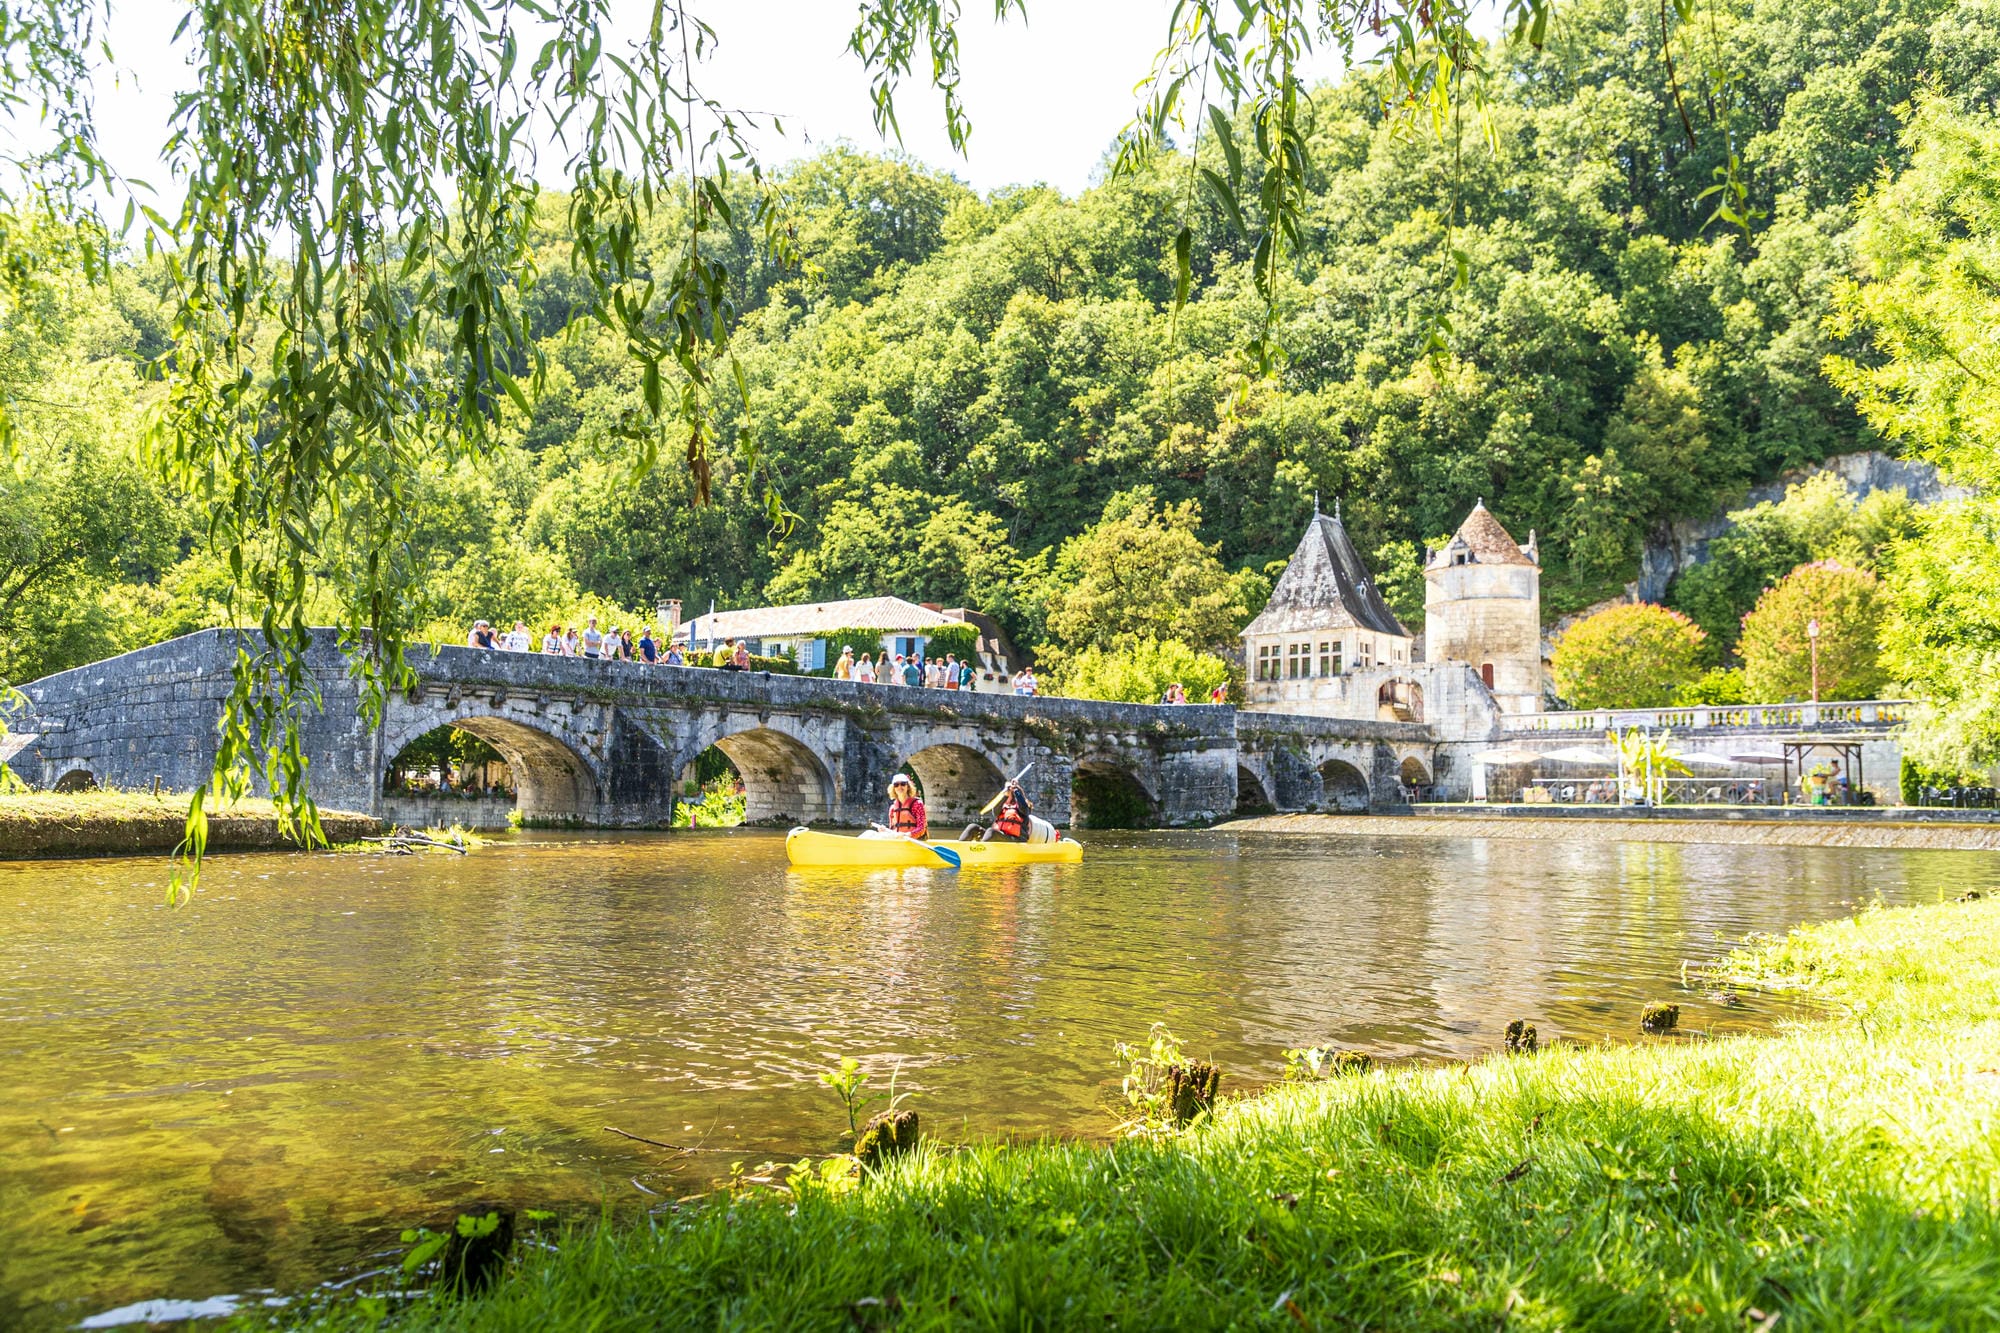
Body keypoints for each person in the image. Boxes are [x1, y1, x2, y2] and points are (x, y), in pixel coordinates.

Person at [885, 774, 927, 839]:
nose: (900, 787)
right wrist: (885, 831)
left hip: (913, 841)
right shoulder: (893, 808)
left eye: (903, 784)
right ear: (893, 788)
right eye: (896, 785)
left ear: (908, 786)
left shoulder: (917, 804)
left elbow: (921, 828)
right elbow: (892, 830)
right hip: (898, 842)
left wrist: (907, 835)